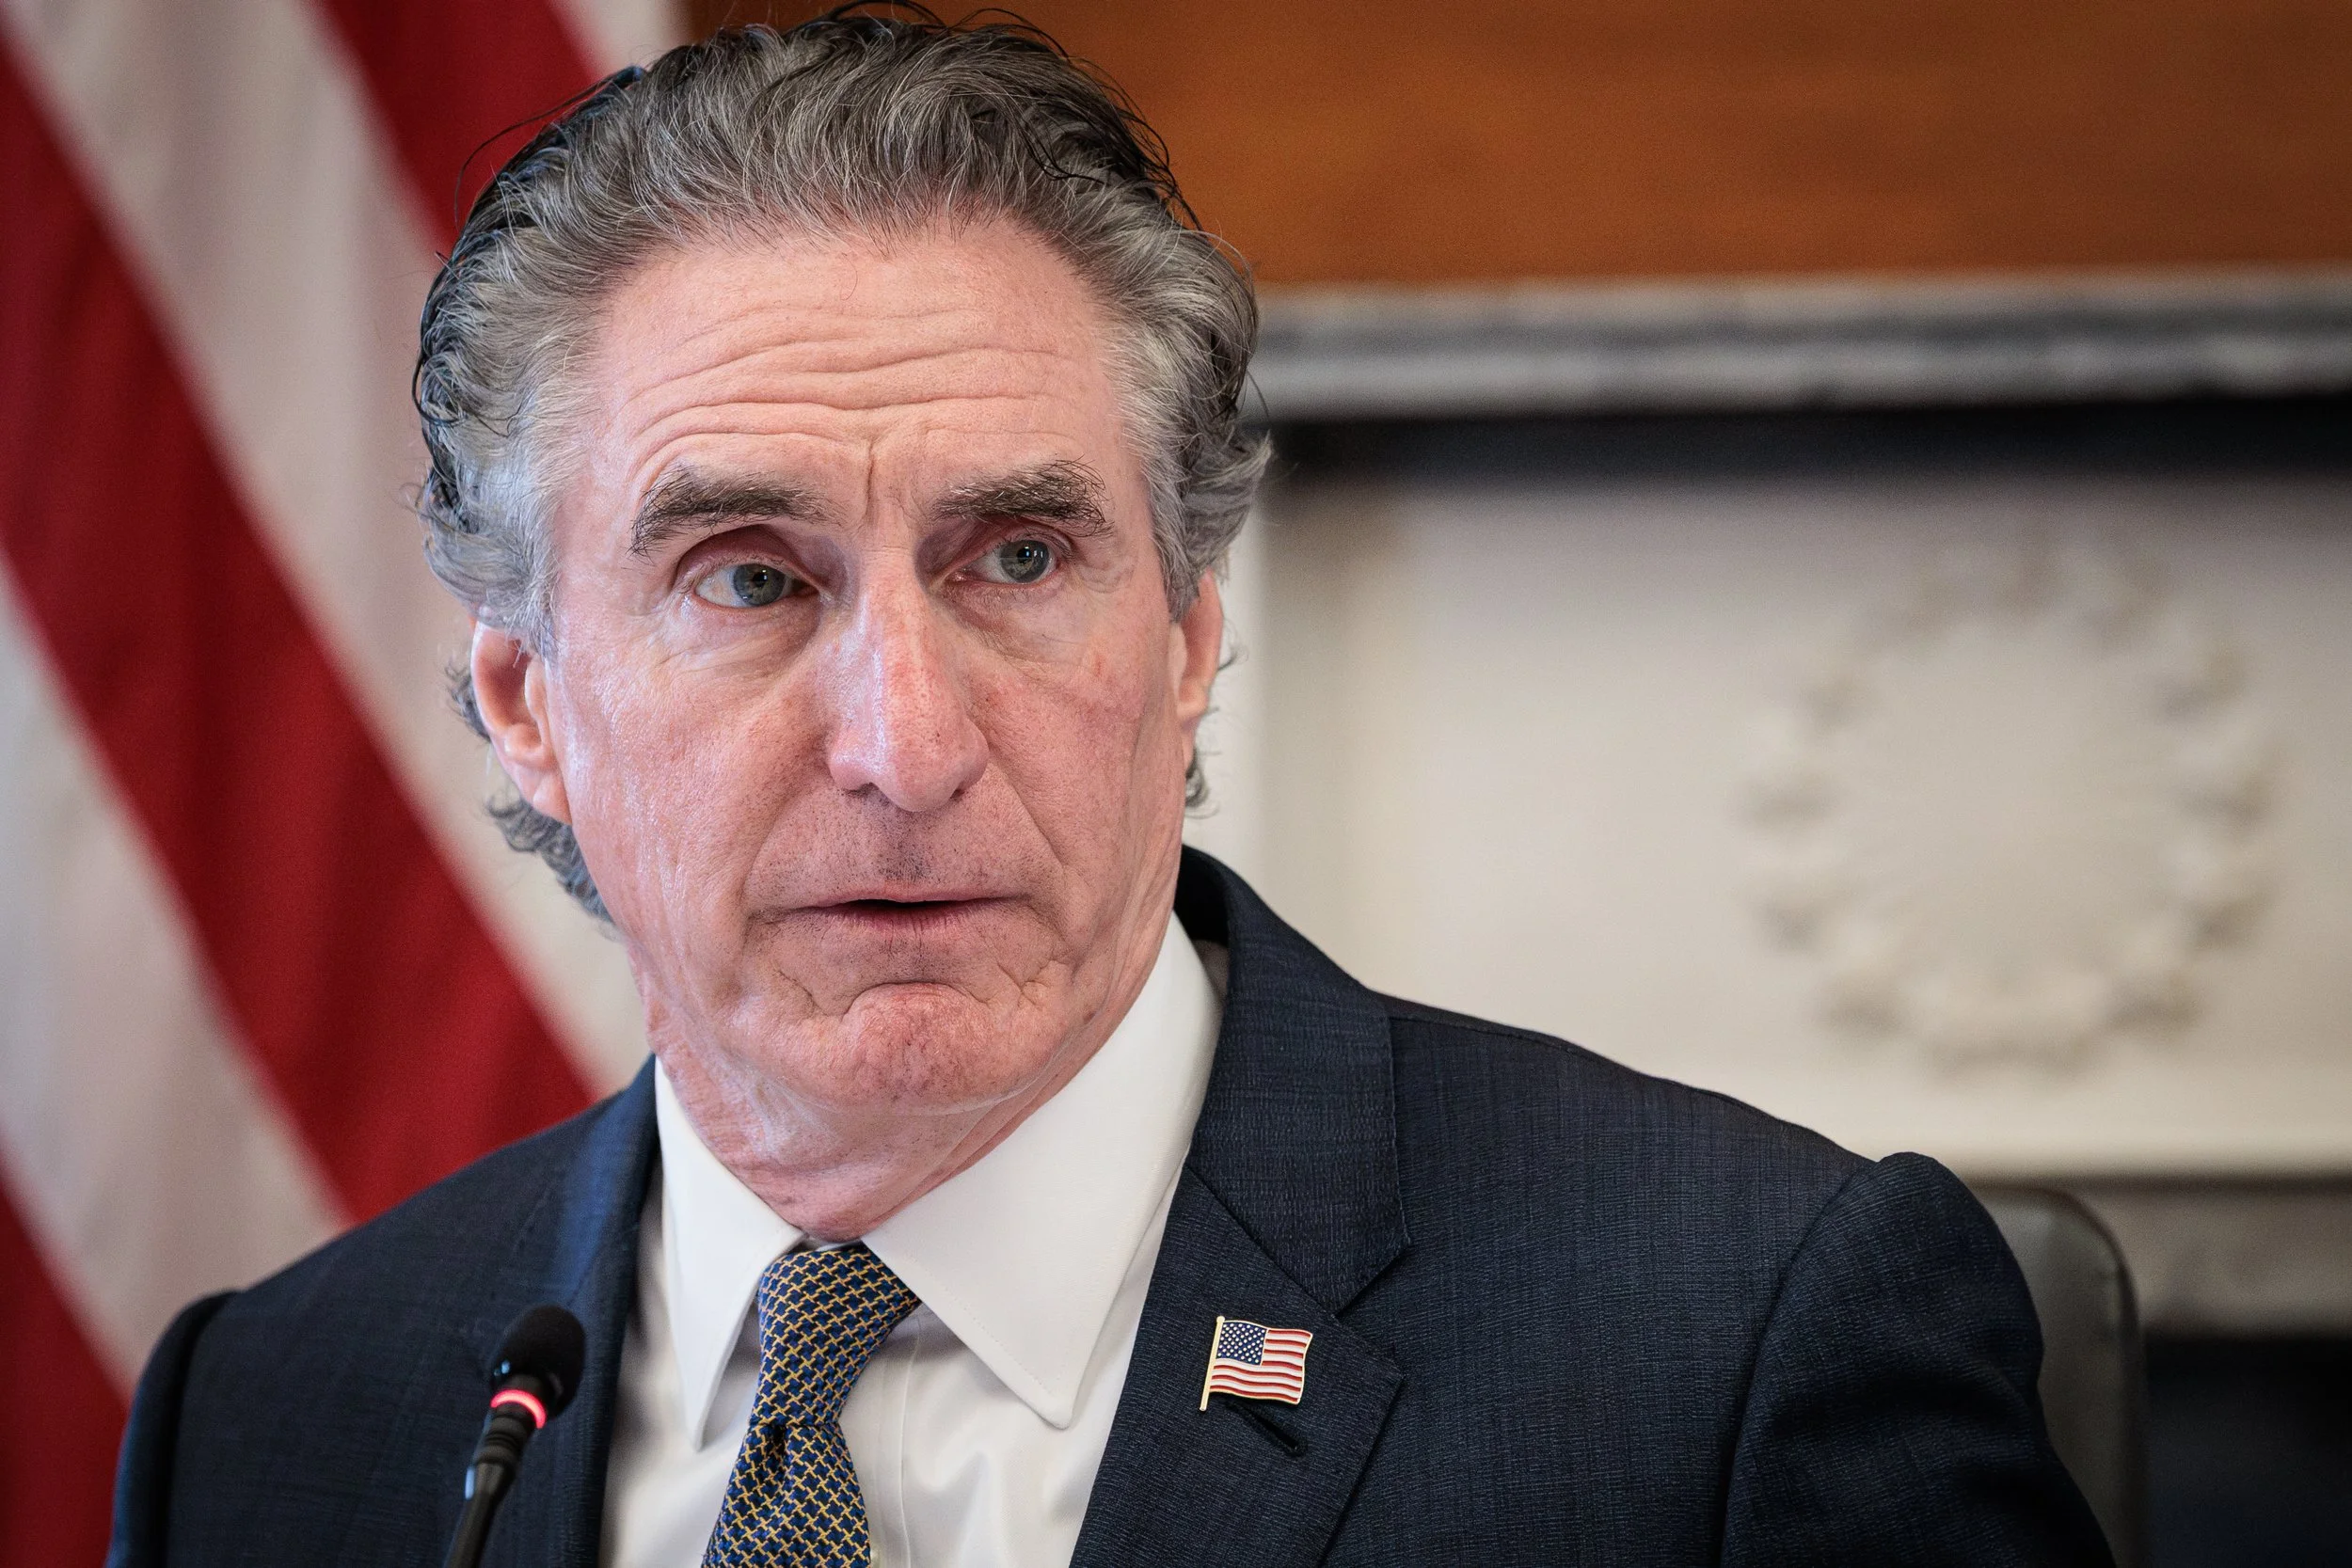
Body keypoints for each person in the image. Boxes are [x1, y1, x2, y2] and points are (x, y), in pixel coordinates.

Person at [107, 15, 2113, 1567]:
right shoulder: (274, 1417)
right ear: (528, 704)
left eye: (1017, 557)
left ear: (1182, 638)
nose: (906, 746)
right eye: (749, 578)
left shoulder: (1740, 1339)